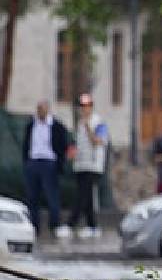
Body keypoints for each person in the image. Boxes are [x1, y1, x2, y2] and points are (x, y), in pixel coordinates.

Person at [22, 100, 72, 238]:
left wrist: (59, 163)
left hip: (49, 163)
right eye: (38, 109)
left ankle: (54, 225)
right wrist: (26, 162)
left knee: (52, 196)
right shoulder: (31, 125)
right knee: (32, 197)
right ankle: (34, 226)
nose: (40, 112)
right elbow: (26, 144)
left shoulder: (56, 126)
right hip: (33, 162)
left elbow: (63, 145)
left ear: (48, 110)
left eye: (42, 109)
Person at [67, 93, 108, 239]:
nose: (84, 109)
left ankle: (71, 224)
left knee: (82, 195)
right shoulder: (79, 124)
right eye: (82, 106)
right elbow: (79, 143)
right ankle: (92, 226)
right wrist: (73, 153)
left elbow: (98, 141)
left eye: (87, 106)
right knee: (88, 197)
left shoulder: (99, 122)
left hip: (93, 165)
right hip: (80, 164)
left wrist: (87, 127)